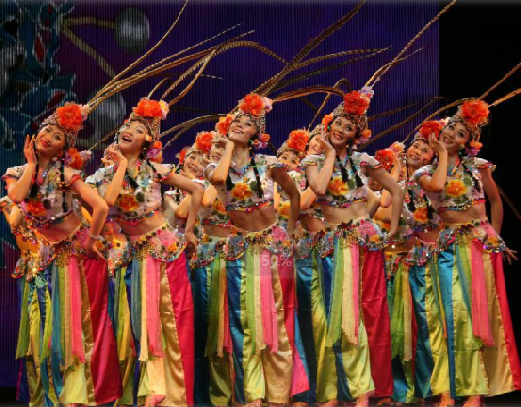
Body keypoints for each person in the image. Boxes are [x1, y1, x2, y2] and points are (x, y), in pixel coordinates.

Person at [2, 103, 122, 406]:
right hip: (47, 257)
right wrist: (32, 164)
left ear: (62, 148)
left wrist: (92, 240)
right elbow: (17, 197)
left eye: (57, 137)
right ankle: (55, 393)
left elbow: (101, 207)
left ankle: (80, 394)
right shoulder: (17, 173)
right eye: (47, 130)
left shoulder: (67, 174)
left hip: (78, 255)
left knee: (79, 326)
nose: (48, 137)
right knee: (49, 327)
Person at [86, 98, 203, 407]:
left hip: (164, 250)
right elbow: (108, 203)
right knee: (141, 322)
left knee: (168, 320)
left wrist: (190, 229)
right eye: (128, 126)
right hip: (135, 254)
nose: (130, 131)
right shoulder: (102, 176)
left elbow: (197, 189)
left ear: (147, 141)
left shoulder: (156, 170)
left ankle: (168, 393)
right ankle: (150, 386)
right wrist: (121, 166)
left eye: (139, 130)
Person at [412, 100, 521, 406]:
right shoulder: (424, 172)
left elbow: (495, 202)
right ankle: (448, 389)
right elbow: (436, 186)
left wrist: (495, 237)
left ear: (467, 143)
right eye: (450, 128)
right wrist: (442, 154)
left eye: (460, 134)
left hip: (478, 243)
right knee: (449, 315)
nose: (452, 135)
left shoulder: (478, 167)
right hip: (447, 246)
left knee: (477, 315)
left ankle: (476, 391)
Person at [301, 89, 403, 407]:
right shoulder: (313, 161)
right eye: (338, 124)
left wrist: (393, 229)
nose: (341, 130)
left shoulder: (363, 161)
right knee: (337, 314)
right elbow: (319, 188)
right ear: (329, 124)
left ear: (356, 135)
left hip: (364, 241)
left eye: (349, 128)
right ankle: (342, 390)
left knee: (369, 311)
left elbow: (395, 190)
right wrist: (331, 153)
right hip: (332, 244)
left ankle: (369, 391)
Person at [206, 94, 309, 406]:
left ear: (257, 134)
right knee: (244, 320)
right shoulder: (215, 166)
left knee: (277, 317)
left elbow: (294, 194)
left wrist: (290, 227)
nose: (239, 124)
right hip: (240, 248)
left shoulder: (268, 164)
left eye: (247, 123)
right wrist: (228, 146)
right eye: (236, 121)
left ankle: (280, 392)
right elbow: (219, 179)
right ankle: (252, 393)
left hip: (273, 246)